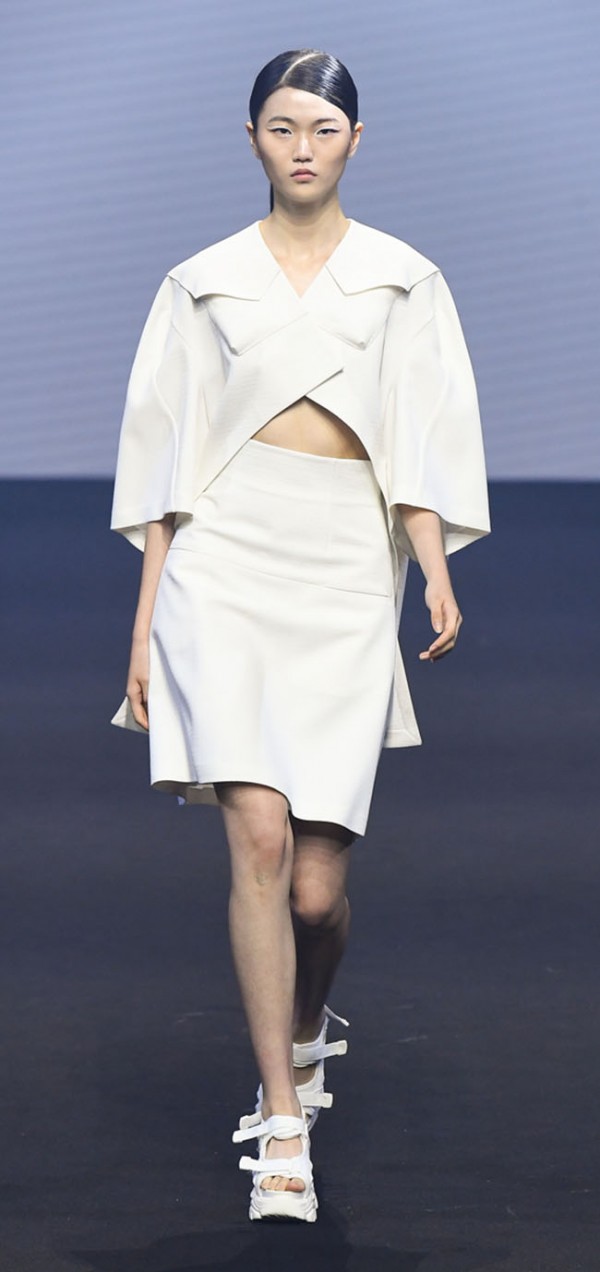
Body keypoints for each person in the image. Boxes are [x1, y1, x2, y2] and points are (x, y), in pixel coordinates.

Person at [110, 48, 490, 1222]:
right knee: (261, 844)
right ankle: (283, 1121)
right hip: (223, 556)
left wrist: (432, 567)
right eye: (283, 128)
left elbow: (418, 433)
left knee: (319, 893)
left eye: (323, 129)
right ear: (253, 139)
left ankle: (311, 1021)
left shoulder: (403, 281)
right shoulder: (202, 283)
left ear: (355, 141)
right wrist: (144, 628)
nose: (304, 148)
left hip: (341, 563)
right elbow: (167, 460)